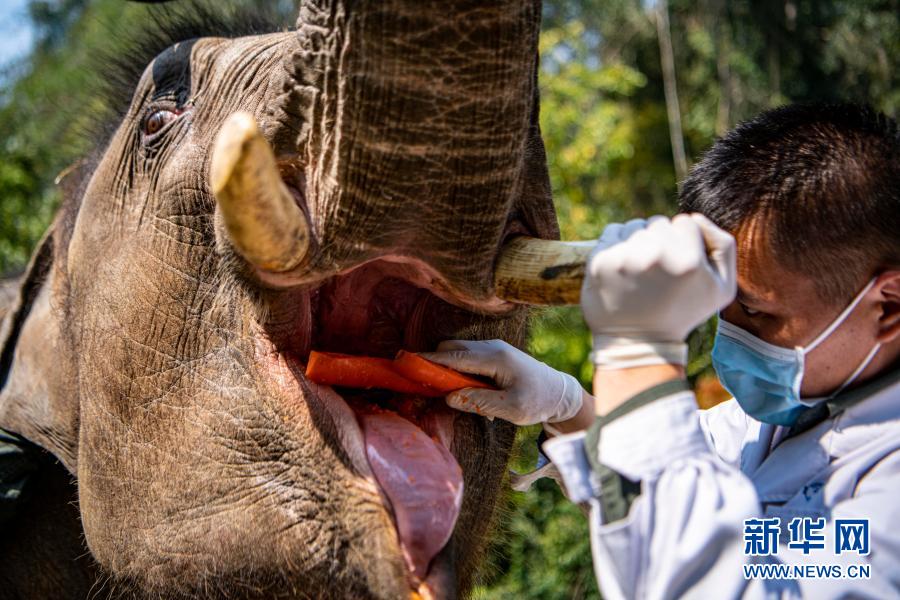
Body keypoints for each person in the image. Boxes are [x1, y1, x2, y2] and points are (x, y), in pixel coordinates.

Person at [421, 103, 900, 598]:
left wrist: (638, 351)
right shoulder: (794, 413)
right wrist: (567, 406)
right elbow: (670, 478)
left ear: (888, 307)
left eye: (754, 310)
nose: (729, 333)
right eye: (719, 305)